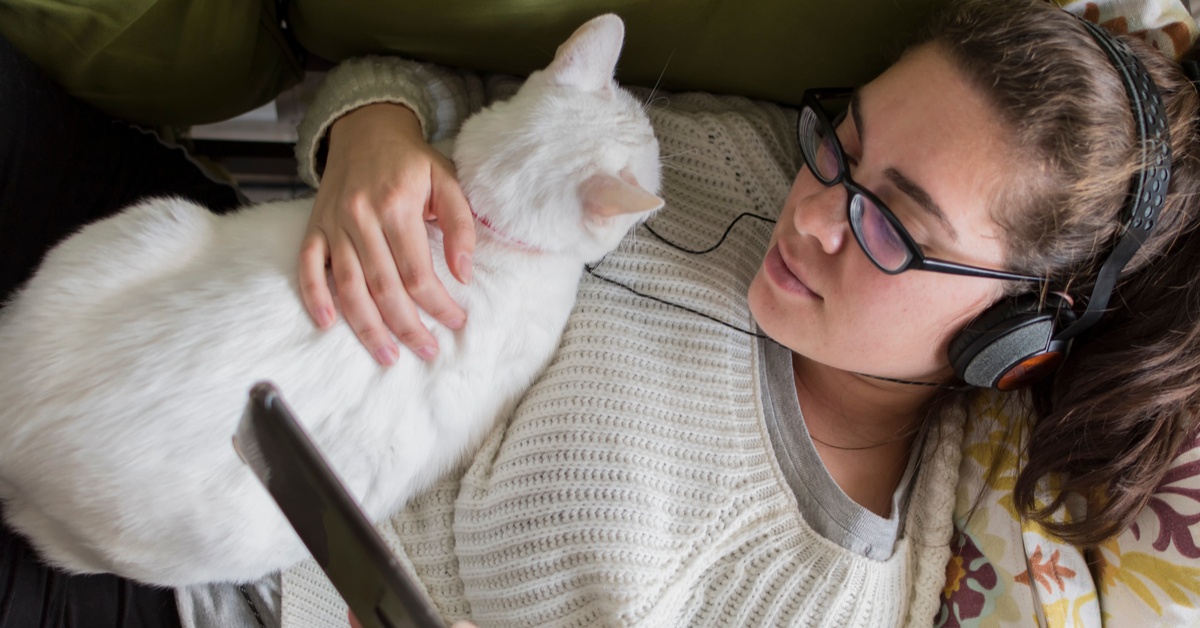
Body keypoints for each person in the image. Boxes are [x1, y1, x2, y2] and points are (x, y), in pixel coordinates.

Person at [0, 0, 1197, 627]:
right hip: (203, 305)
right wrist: (379, 133)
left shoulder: (811, 596)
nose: (815, 213)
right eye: (843, 140)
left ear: (1013, 343)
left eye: (895, 222)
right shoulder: (735, 160)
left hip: (196, 582)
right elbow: (476, 103)